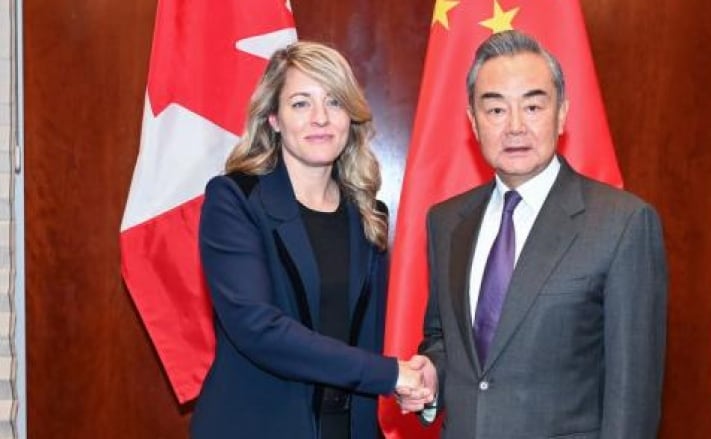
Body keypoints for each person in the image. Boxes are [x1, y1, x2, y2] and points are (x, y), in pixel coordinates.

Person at [398, 30, 668, 438]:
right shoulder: (447, 221)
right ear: (473, 121)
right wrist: (433, 371)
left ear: (562, 114)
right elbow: (444, 339)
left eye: (533, 106)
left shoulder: (622, 224)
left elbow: (632, 397)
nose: (515, 127)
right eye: (496, 110)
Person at [190, 41, 427, 439]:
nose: (320, 118)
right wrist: (389, 375)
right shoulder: (235, 200)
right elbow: (258, 328)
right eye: (301, 103)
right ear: (274, 119)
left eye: (334, 102)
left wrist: (423, 372)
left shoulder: (368, 215)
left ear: (349, 117)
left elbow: (377, 332)